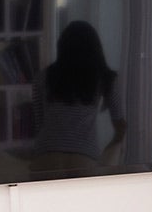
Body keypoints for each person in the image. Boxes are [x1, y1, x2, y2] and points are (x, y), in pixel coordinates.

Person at [31, 21, 126, 172]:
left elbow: (39, 124)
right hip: (84, 157)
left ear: (62, 46)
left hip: (45, 155)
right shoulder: (104, 78)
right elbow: (121, 126)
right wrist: (109, 152)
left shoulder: (42, 77)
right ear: (95, 48)